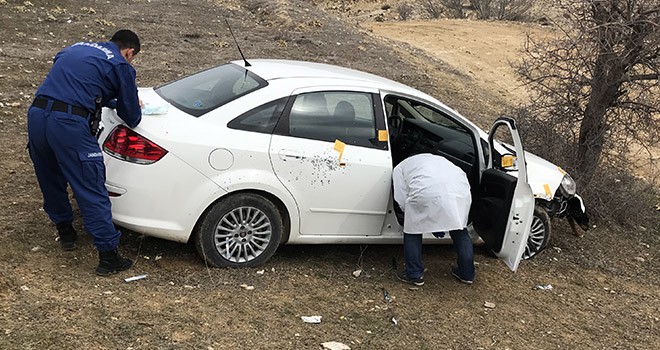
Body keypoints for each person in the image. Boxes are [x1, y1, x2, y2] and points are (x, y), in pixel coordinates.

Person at [27, 30, 142, 276]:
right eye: (132, 57)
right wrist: (128, 100)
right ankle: (109, 257)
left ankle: (66, 233)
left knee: (50, 176)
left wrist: (107, 99)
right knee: (90, 184)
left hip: (37, 115)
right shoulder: (120, 64)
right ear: (129, 51)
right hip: (68, 124)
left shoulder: (75, 48)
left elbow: (79, 83)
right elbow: (131, 115)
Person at [392, 153, 475, 286]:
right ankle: (467, 274)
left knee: (412, 230)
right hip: (459, 192)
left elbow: (401, 196)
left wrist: (411, 216)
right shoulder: (443, 160)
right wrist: (440, 224)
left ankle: (414, 274)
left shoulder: (400, 168)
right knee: (459, 228)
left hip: (426, 191)